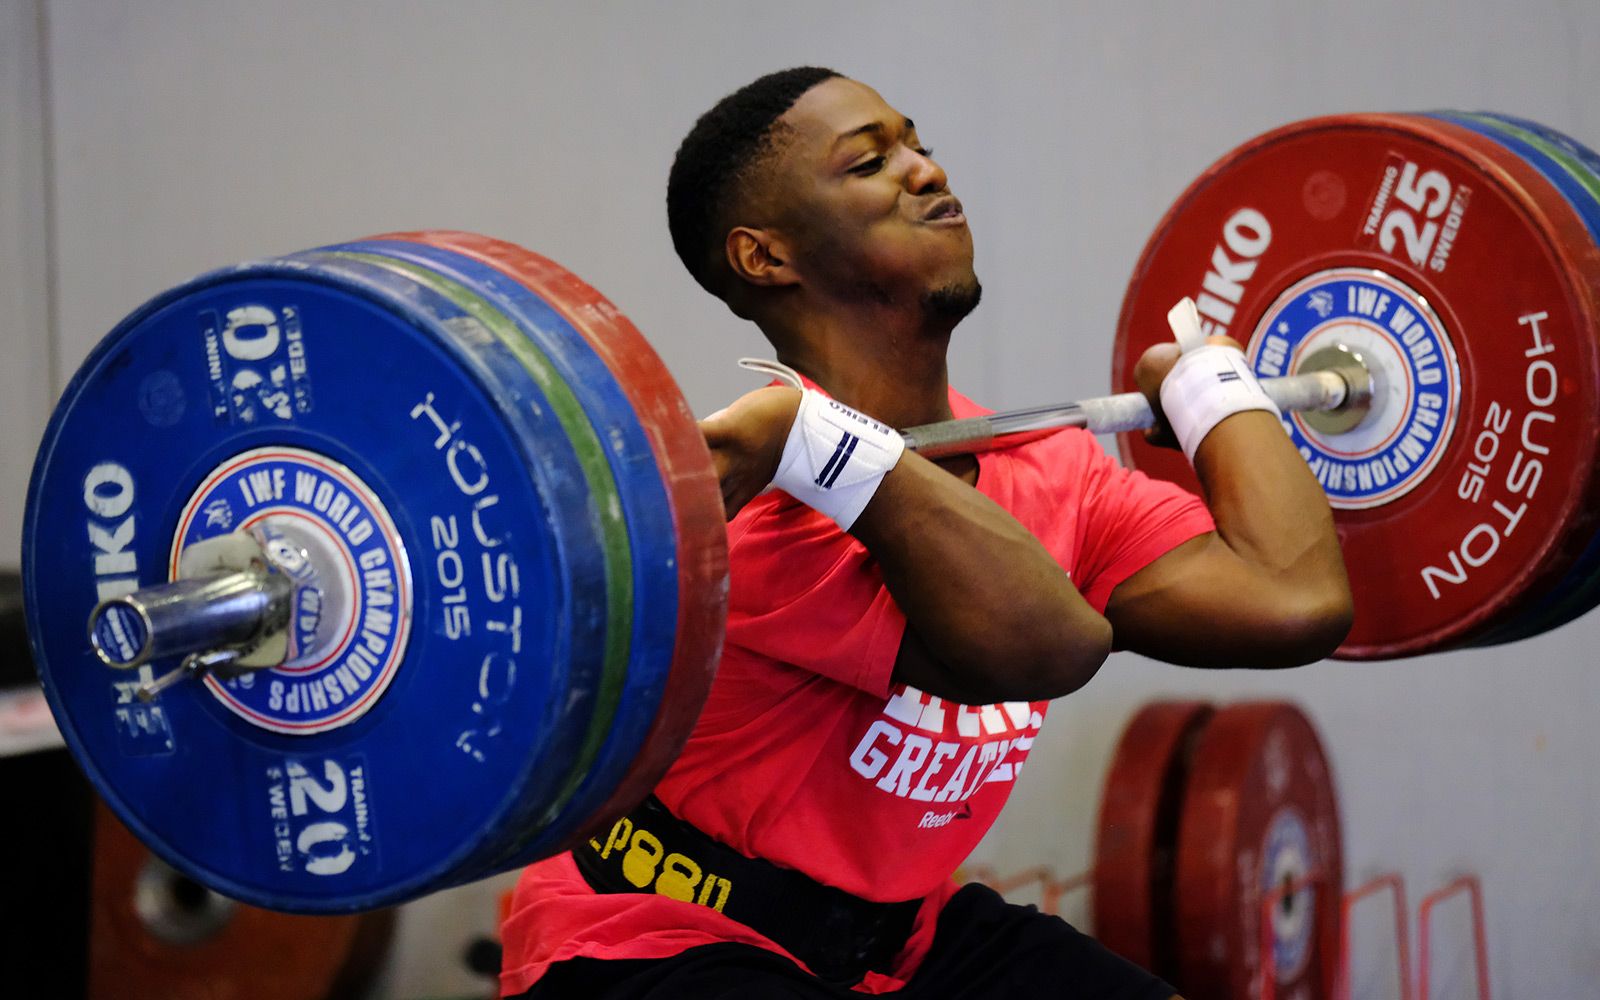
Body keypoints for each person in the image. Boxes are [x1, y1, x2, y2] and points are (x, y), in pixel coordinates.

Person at [500, 66, 1352, 999]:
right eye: (870, 161)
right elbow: (1043, 648)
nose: (922, 170)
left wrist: (1210, 387)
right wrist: (807, 439)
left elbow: (1294, 600)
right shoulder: (762, 513)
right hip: (658, 939)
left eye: (919, 144)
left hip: (895, 942)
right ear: (764, 256)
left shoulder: (1049, 468)